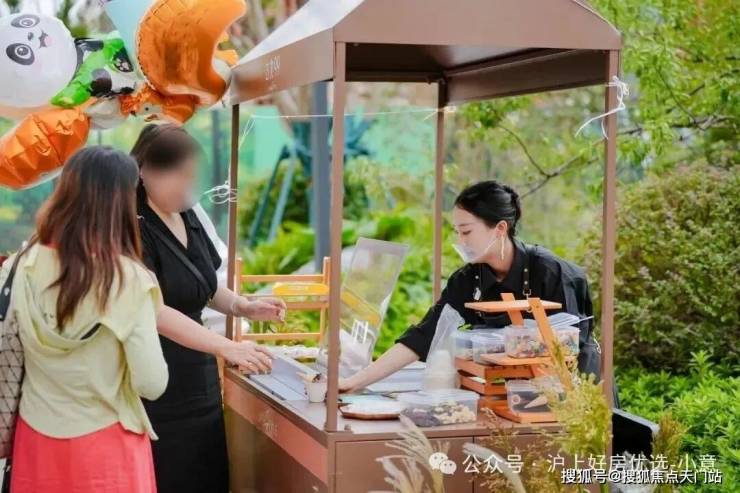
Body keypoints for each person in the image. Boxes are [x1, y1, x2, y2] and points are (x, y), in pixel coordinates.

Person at [130, 123, 287, 493]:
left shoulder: (188, 213)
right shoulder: (132, 224)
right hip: (156, 379)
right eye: (176, 176)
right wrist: (226, 346)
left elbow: (204, 282)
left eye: (191, 176)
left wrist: (243, 306)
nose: (186, 185)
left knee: (208, 475)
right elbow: (152, 308)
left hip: (199, 376)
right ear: (144, 170)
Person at [8, 146, 168, 492]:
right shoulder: (127, 279)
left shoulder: (20, 265)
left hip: (36, 441)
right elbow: (152, 383)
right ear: (121, 202)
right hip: (109, 449)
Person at [339, 180, 599, 393]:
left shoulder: (551, 272)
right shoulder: (467, 280)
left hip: (575, 393)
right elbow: (423, 336)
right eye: (457, 232)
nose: (461, 241)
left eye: (466, 232)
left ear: (500, 228)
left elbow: (571, 348)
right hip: (510, 395)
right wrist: (355, 382)